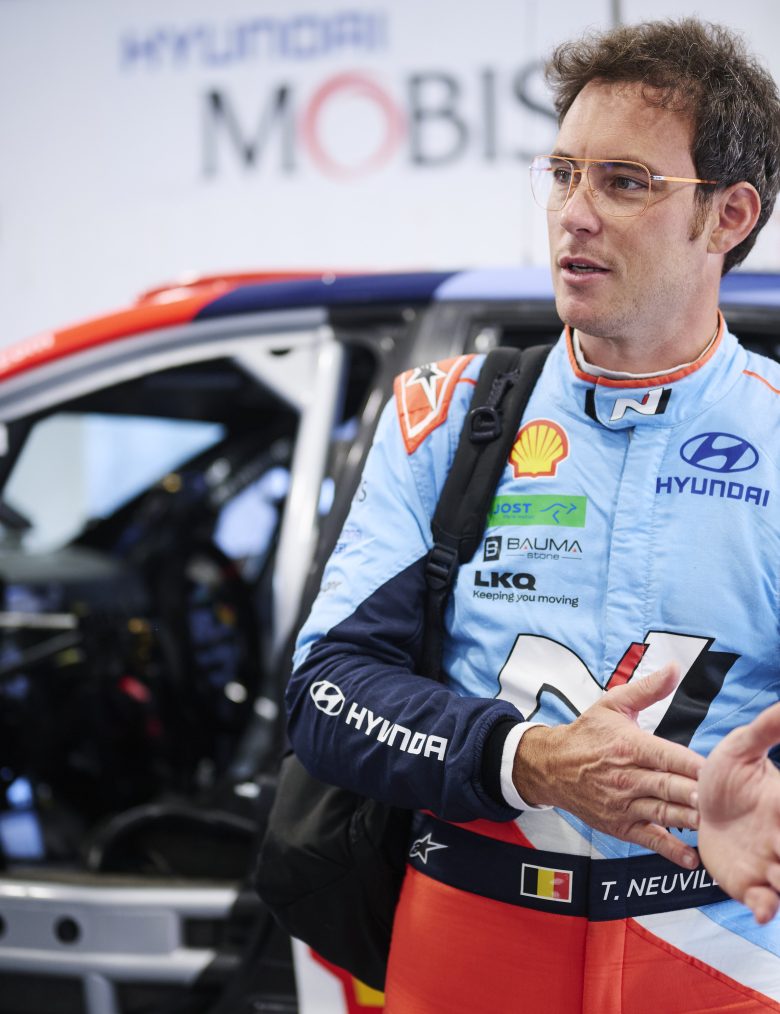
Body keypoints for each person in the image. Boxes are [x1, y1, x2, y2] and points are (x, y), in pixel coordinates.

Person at [286, 17, 780, 1012]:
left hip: (724, 947)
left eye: (624, 182)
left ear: (728, 215)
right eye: (562, 174)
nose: (574, 215)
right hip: (467, 937)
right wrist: (528, 760)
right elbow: (326, 693)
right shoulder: (441, 416)